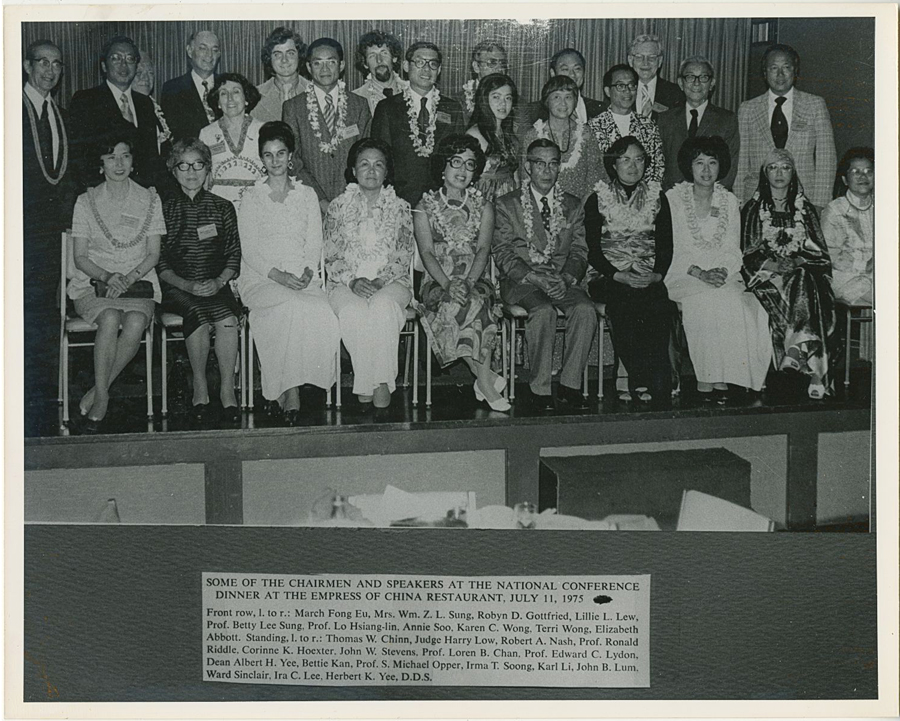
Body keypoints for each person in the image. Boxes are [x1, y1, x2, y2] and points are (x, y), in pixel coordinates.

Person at [237, 121, 340, 424]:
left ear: (291, 156)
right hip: (261, 277)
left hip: (301, 276)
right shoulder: (251, 196)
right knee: (289, 307)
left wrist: (308, 271)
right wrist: (278, 276)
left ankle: (295, 384)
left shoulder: (306, 195)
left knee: (321, 311)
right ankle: (288, 390)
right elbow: (250, 249)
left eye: (281, 153)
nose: (275, 161)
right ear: (262, 158)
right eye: (268, 155)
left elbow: (314, 241)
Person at [67, 134, 164, 431]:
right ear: (100, 165)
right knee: (109, 317)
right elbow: (80, 257)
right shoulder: (86, 201)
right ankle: (103, 396)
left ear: (133, 161)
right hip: (94, 282)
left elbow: (153, 253)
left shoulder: (150, 198)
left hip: (139, 282)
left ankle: (99, 391)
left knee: (135, 322)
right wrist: (108, 277)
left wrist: (128, 278)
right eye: (111, 157)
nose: (119, 164)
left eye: (125, 156)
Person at [664, 136, 772, 399]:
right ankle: (706, 377)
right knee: (703, 301)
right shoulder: (672, 199)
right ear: (689, 166)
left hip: (722, 274)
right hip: (682, 272)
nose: (706, 170)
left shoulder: (729, 201)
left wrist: (721, 270)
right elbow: (671, 247)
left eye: (712, 163)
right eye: (699, 162)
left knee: (737, 302)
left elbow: (732, 249)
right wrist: (700, 273)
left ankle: (726, 375)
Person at [493, 138, 595, 412]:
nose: (547, 171)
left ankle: (570, 386)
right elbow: (502, 253)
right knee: (544, 312)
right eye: (540, 164)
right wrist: (534, 278)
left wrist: (567, 278)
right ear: (528, 167)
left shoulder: (572, 205)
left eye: (553, 164)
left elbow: (579, 251)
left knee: (585, 310)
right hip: (523, 282)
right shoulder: (507, 204)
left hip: (561, 280)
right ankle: (539, 388)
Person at [415, 134, 508, 412]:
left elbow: (482, 250)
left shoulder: (485, 206)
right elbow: (427, 253)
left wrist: (468, 282)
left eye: (469, 165)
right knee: (449, 302)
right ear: (442, 167)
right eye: (456, 162)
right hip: (437, 277)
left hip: (475, 275)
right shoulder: (423, 206)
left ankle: (485, 383)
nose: (462, 170)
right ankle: (486, 379)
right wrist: (447, 284)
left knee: (477, 302)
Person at [740, 148, 837, 399]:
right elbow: (747, 253)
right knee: (806, 289)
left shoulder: (804, 209)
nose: (779, 173)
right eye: (773, 167)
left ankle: (794, 354)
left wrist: (796, 260)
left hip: (801, 273)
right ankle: (815, 371)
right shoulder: (753, 209)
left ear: (793, 173)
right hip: (767, 277)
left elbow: (820, 254)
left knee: (807, 282)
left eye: (785, 167)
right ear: (765, 173)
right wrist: (773, 266)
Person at [324, 138, 413, 409]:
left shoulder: (401, 207)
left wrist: (380, 281)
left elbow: (403, 254)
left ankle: (380, 384)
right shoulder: (337, 207)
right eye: (364, 164)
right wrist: (352, 280)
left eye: (378, 165)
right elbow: (331, 253)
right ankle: (371, 382)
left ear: (387, 172)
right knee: (354, 312)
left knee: (383, 306)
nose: (371, 170)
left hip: (391, 281)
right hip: (345, 281)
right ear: (352, 170)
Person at [159, 139, 242, 423]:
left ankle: (228, 390)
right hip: (178, 288)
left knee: (227, 318)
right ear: (173, 170)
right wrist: (188, 285)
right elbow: (160, 262)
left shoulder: (223, 207)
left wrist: (219, 282)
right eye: (183, 165)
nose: (191, 171)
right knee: (198, 313)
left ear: (208, 169)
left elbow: (234, 255)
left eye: (198, 165)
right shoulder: (164, 209)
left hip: (216, 285)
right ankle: (200, 385)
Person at [584, 136, 672, 403]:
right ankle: (636, 377)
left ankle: (653, 378)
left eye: (639, 159)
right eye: (625, 159)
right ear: (614, 163)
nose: (632, 166)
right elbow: (592, 249)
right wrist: (618, 274)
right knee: (625, 303)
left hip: (647, 274)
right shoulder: (597, 198)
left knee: (660, 304)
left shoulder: (658, 196)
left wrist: (657, 274)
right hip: (608, 275)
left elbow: (666, 244)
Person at [22, 39, 76, 413]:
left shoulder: (59, 113)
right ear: (27, 66)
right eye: (43, 62)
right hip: (18, 233)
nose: (50, 70)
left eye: (56, 64)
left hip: (50, 235)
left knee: (44, 310)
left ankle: (40, 391)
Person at [735, 44, 837, 209]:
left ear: (795, 71)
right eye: (774, 68)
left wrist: (820, 203)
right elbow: (741, 161)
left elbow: (826, 158)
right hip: (756, 198)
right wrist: (739, 201)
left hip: (805, 199)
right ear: (765, 73)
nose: (780, 74)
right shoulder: (748, 109)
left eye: (786, 68)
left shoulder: (815, 105)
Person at [282, 38, 372, 214]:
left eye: (331, 62)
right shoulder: (293, 108)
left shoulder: (359, 105)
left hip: (353, 203)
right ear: (308, 67)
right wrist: (320, 200)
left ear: (342, 65)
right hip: (308, 203)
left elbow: (366, 155)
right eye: (317, 63)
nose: (324, 69)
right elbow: (293, 159)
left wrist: (350, 196)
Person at [371, 41, 466, 207]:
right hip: (398, 200)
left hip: (442, 201)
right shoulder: (388, 108)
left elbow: (458, 157)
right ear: (406, 66)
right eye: (420, 62)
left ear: (440, 70)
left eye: (433, 64)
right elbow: (381, 157)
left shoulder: (452, 108)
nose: (426, 69)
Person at [70, 36, 165, 189]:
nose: (123, 65)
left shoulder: (145, 103)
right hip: (101, 194)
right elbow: (79, 157)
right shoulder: (86, 100)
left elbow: (150, 157)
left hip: (141, 195)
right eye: (116, 58)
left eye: (130, 59)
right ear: (104, 66)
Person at [657, 55, 739, 190]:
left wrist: (713, 200)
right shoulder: (665, 119)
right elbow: (659, 165)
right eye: (690, 77)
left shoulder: (727, 120)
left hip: (712, 199)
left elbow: (729, 169)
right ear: (680, 83)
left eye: (703, 77)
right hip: (671, 199)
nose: (696, 83)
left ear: (712, 83)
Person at [521, 75, 604, 203]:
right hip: (541, 207)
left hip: (579, 210)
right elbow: (526, 178)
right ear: (546, 101)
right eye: (556, 97)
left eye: (568, 97)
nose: (563, 103)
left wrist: (580, 210)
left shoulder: (586, 134)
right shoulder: (532, 135)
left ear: (575, 101)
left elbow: (595, 178)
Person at [587, 64, 665, 184]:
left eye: (632, 85)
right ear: (607, 91)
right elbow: (590, 171)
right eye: (620, 86)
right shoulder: (593, 127)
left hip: (643, 197)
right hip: (604, 196)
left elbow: (657, 167)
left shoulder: (648, 126)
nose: (627, 91)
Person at [199, 73, 265, 211]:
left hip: (258, 206)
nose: (230, 98)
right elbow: (202, 177)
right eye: (223, 93)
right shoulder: (206, 134)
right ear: (217, 102)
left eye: (236, 92)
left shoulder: (263, 130)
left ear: (246, 98)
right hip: (218, 208)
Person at [821, 147, 874, 305]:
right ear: (844, 179)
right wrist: (865, 265)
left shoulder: (885, 206)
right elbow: (829, 255)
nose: (863, 176)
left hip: (879, 274)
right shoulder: (834, 210)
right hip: (845, 276)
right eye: (855, 172)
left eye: (868, 171)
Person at [518, 48, 606, 129]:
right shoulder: (532, 112)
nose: (572, 74)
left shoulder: (601, 110)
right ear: (553, 73)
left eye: (577, 69)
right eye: (565, 69)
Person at [465, 73, 520, 200]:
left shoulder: (509, 136)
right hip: (484, 201)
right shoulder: (475, 135)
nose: (503, 104)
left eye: (508, 98)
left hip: (508, 203)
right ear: (484, 100)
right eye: (496, 97)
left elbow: (516, 178)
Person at [160, 30, 221, 143]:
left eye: (214, 50)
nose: (209, 55)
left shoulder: (226, 85)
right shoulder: (173, 89)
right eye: (203, 48)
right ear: (189, 51)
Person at [252, 27, 310, 123]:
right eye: (277, 54)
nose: (284, 60)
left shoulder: (314, 92)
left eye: (290, 53)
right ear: (269, 59)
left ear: (299, 56)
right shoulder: (255, 96)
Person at [627, 33, 685, 119]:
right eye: (639, 57)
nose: (645, 63)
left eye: (652, 57)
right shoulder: (620, 91)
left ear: (660, 61)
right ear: (631, 60)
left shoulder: (676, 93)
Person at [351, 30, 408, 116]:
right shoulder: (356, 99)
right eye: (372, 56)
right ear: (365, 64)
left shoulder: (410, 90)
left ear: (394, 58)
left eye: (384, 53)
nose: (379, 60)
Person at [132, 49, 173, 155]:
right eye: (139, 73)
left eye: (150, 73)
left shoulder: (154, 106)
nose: (145, 78)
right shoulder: (127, 109)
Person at [459, 40, 509, 120]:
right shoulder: (459, 102)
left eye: (502, 63)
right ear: (476, 67)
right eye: (492, 62)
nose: (499, 68)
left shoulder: (518, 104)